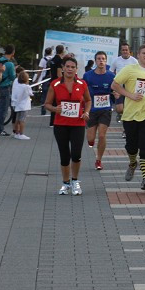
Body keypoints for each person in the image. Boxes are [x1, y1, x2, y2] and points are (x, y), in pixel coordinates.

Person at [111, 44, 145, 191]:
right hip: (130, 115)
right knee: (131, 146)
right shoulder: (129, 70)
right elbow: (114, 85)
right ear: (138, 55)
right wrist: (130, 95)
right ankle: (133, 163)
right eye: (144, 53)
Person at [44, 56, 91, 195]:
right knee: (64, 155)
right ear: (63, 68)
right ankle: (65, 183)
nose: (70, 69)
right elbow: (47, 103)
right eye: (67, 67)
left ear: (76, 69)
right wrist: (54, 109)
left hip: (78, 124)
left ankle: (75, 181)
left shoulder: (82, 84)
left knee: (76, 154)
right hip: (61, 124)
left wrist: (87, 112)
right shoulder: (55, 84)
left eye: (73, 67)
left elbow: (88, 101)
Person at [82, 51, 116, 170]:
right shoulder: (88, 75)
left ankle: (99, 160)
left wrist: (115, 95)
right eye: (98, 59)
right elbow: (82, 91)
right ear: (95, 61)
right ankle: (91, 142)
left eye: (103, 59)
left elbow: (115, 90)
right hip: (92, 108)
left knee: (102, 135)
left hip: (106, 109)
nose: (101, 61)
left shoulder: (111, 76)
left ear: (106, 61)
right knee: (91, 138)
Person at [0, 44, 16, 137]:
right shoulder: (10, 64)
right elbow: (13, 76)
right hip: (5, 87)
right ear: (13, 52)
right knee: (3, 110)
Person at [110, 43, 138, 120]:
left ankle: (127, 118)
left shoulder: (134, 61)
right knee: (119, 109)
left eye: (126, 50)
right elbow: (111, 72)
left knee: (129, 106)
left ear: (129, 51)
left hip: (130, 86)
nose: (125, 51)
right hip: (119, 86)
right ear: (121, 51)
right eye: (123, 50)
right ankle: (120, 114)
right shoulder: (116, 60)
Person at [11, 68, 33, 139]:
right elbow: (31, 94)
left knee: (17, 119)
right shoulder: (26, 87)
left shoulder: (18, 85)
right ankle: (21, 133)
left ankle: (16, 132)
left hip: (17, 105)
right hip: (24, 106)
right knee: (22, 120)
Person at [37, 47, 52, 115]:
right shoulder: (53, 59)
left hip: (45, 79)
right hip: (52, 78)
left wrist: (37, 79)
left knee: (44, 95)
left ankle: (43, 110)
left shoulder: (43, 60)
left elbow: (40, 70)